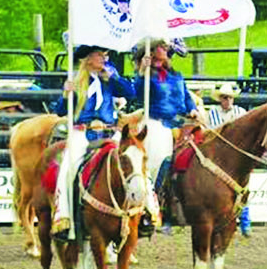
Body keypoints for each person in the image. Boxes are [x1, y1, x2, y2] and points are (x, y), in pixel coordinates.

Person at [51, 44, 137, 239]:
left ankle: (144, 211)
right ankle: (64, 218)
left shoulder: (109, 78)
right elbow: (60, 111)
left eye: (105, 55)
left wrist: (114, 77)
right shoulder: (76, 79)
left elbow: (131, 93)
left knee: (135, 161)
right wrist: (66, 94)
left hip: (108, 131)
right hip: (84, 131)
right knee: (68, 169)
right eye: (100, 55)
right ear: (88, 58)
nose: (104, 59)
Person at [132, 37, 201, 237]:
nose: (165, 50)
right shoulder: (147, 76)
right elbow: (136, 94)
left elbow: (186, 96)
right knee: (156, 166)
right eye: (161, 47)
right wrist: (141, 72)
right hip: (156, 123)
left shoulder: (176, 76)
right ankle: (150, 207)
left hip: (180, 123)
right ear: (153, 52)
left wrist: (193, 109)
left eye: (165, 47)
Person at [204, 82, 250, 237]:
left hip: (235, 158)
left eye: (230, 97)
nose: (228, 100)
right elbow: (208, 135)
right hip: (219, 158)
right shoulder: (211, 114)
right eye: (225, 98)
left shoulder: (241, 112)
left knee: (242, 189)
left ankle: (245, 222)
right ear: (220, 99)